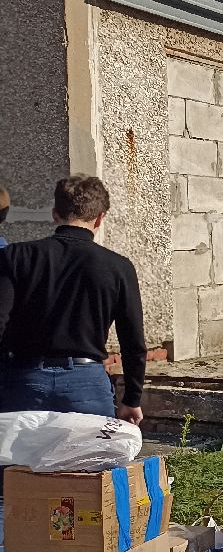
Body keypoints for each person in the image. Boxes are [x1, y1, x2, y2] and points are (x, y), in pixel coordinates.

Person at [0, 176, 146, 421]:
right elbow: (133, 341)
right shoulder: (119, 267)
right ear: (100, 217)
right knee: (90, 459)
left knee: (19, 459)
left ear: (55, 213)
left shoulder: (16, 256)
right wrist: (132, 398)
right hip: (87, 382)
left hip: (25, 379)